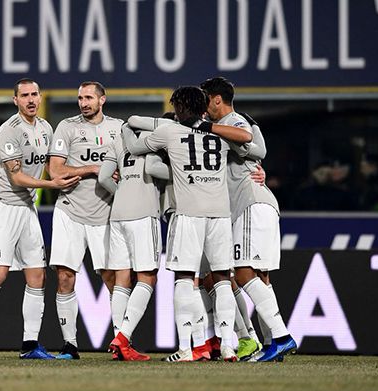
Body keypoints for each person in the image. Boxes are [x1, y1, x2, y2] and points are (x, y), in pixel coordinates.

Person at [125, 86, 252, 362]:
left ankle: (185, 348)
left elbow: (135, 144)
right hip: (219, 215)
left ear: (180, 108)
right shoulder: (218, 133)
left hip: (189, 214)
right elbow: (247, 138)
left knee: (184, 278)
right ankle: (228, 345)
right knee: (221, 279)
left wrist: (127, 127)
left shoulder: (170, 131)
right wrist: (206, 125)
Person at [0, 79, 80, 360]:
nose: (30, 99)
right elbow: (17, 177)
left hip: (27, 208)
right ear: (15, 100)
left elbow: (52, 166)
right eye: (24, 95)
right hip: (3, 206)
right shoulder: (8, 132)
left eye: (34, 94)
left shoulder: (46, 128)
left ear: (40, 97)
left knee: (37, 276)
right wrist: (53, 186)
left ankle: (29, 345)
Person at [200, 76, 296, 362]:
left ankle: (281, 337)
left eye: (206, 99)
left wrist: (206, 127)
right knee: (261, 278)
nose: (204, 107)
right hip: (254, 203)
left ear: (217, 99)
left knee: (242, 272)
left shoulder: (234, 121)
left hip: (250, 203)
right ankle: (271, 343)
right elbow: (257, 151)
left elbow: (251, 143)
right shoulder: (227, 127)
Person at [47, 81, 123, 360]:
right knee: (65, 276)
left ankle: (119, 342)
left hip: (106, 212)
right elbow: (56, 171)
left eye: (89, 98)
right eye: (80, 98)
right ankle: (70, 345)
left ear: (102, 100)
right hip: (70, 211)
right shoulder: (67, 127)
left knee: (112, 278)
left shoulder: (118, 128)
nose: (83, 103)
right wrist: (93, 168)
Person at [98, 123, 170, 361]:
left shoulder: (117, 139)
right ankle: (123, 337)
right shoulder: (157, 136)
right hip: (143, 211)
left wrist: (121, 191)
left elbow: (103, 177)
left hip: (118, 213)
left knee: (121, 278)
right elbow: (153, 167)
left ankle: (120, 340)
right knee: (148, 276)